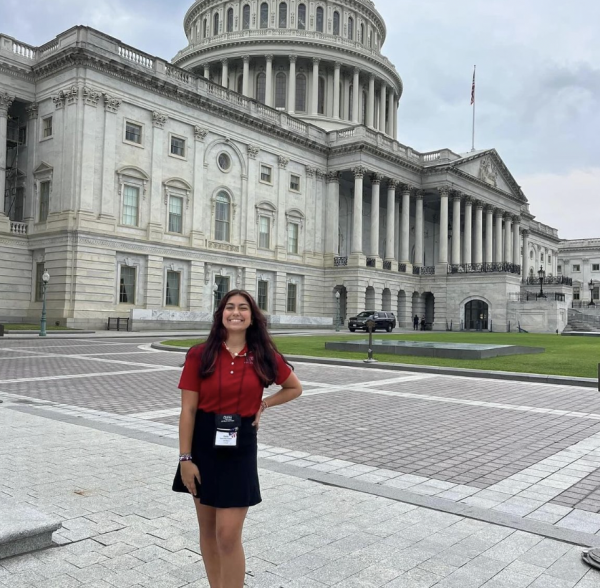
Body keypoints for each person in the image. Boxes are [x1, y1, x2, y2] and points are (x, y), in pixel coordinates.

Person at [173, 289, 302, 588]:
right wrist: (185, 459)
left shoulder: (263, 356)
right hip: (202, 445)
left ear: (251, 316)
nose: (235, 312)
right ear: (220, 315)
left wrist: (265, 404)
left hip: (240, 446)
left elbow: (294, 387)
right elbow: (188, 410)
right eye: (229, 307)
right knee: (207, 531)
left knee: (227, 535)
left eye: (243, 308)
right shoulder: (199, 354)